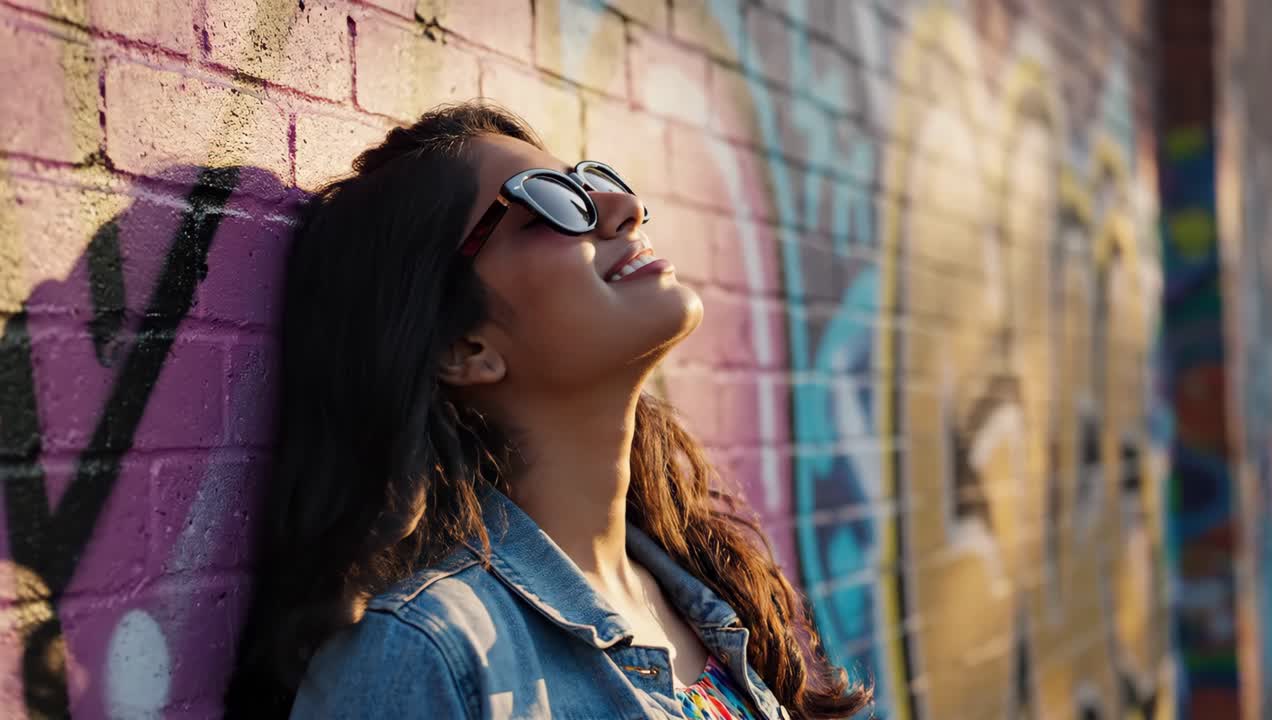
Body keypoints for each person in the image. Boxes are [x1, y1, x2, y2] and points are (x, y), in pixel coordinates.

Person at [224, 101, 871, 719]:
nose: (625, 209)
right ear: (464, 347)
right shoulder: (424, 658)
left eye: (595, 183)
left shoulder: (698, 592)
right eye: (548, 204)